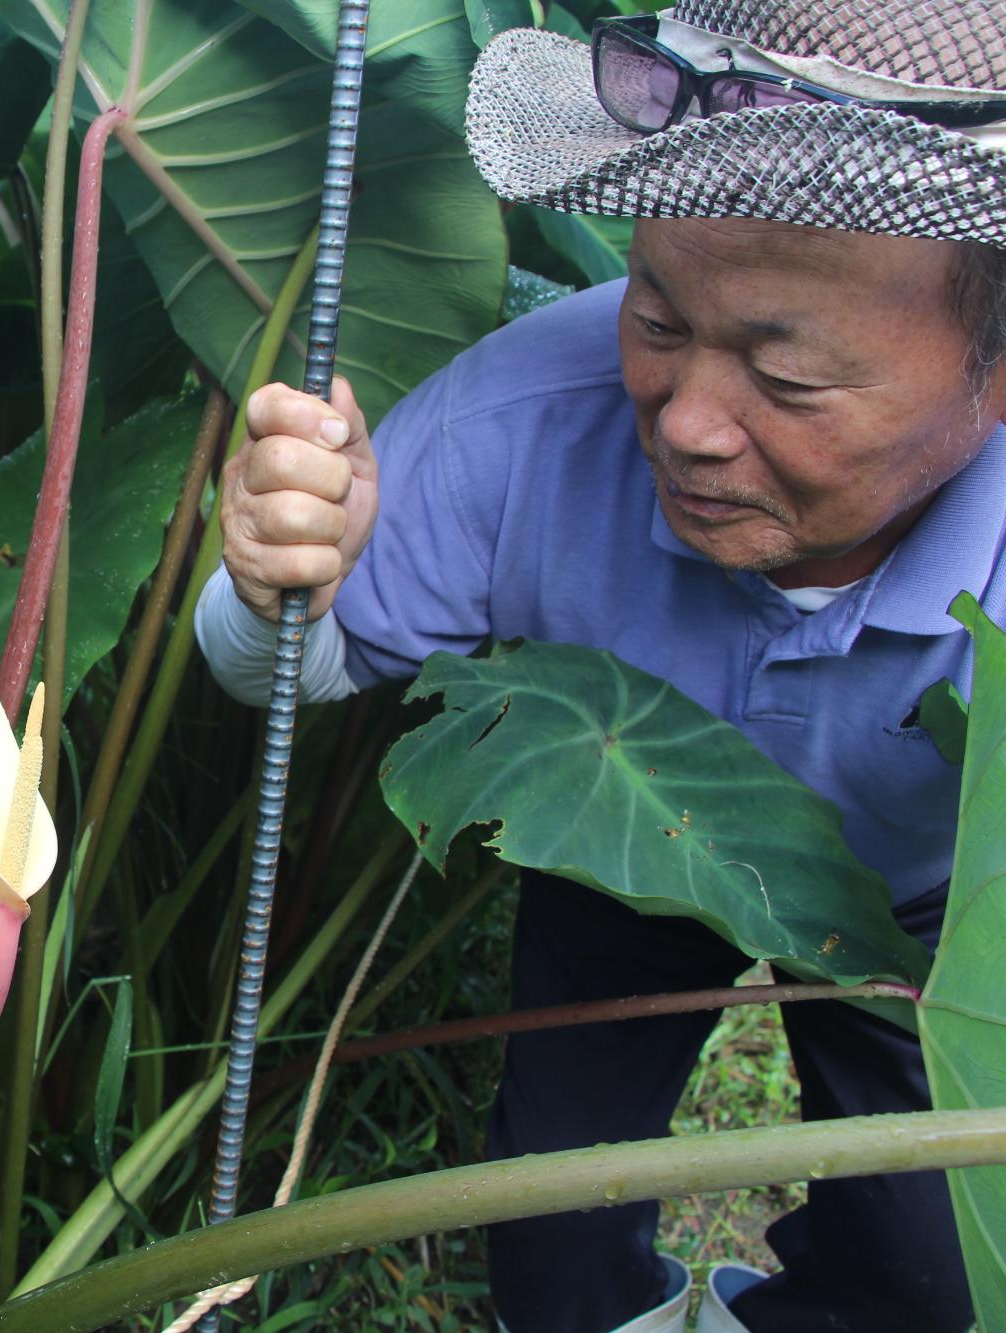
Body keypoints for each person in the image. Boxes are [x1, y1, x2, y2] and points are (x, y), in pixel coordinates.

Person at [194, 3, 1006, 1330]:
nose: (684, 423)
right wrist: (280, 580)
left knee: (925, 1252)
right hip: (620, 850)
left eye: (786, 383)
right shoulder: (530, 419)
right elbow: (290, 666)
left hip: (915, 900)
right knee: (550, 1215)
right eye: (659, 316)